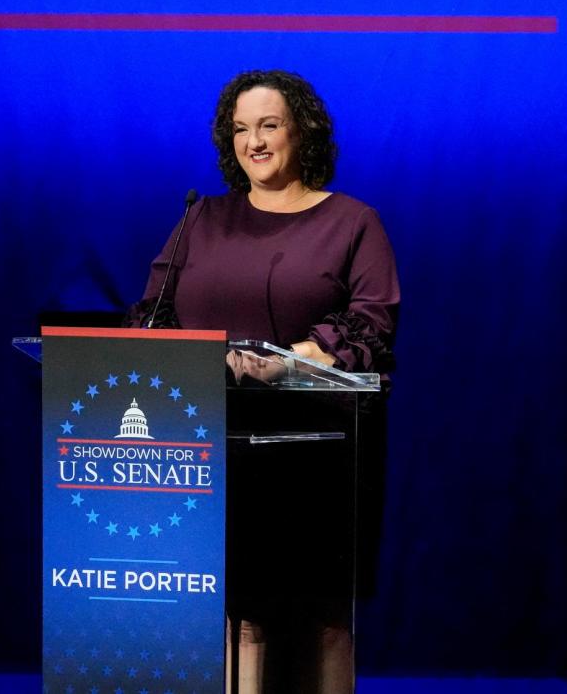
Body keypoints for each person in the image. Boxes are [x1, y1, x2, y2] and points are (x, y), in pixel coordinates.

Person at [127, 69, 399, 694]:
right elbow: (150, 312)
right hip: (209, 438)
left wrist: (291, 359)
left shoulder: (353, 221)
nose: (255, 141)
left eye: (269, 125)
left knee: (320, 617)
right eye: (241, 128)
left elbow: (371, 323)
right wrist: (191, 359)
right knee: (236, 617)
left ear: (302, 131)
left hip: (320, 450)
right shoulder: (202, 216)